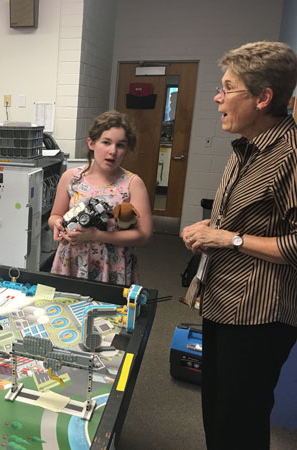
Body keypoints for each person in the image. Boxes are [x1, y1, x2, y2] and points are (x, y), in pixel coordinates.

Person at [181, 41, 297, 450]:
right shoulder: (244, 147)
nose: (218, 98)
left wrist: (227, 237)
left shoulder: (292, 154)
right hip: (223, 302)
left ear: (264, 98)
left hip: (259, 314)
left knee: (240, 417)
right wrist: (210, 227)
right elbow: (247, 218)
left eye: (228, 88)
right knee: (217, 408)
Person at [48, 110, 152, 284]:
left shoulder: (133, 183)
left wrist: (95, 235)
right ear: (91, 143)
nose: (112, 151)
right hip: (72, 261)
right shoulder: (71, 178)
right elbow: (55, 216)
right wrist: (57, 224)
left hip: (112, 264)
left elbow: (143, 235)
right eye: (106, 142)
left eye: (121, 145)